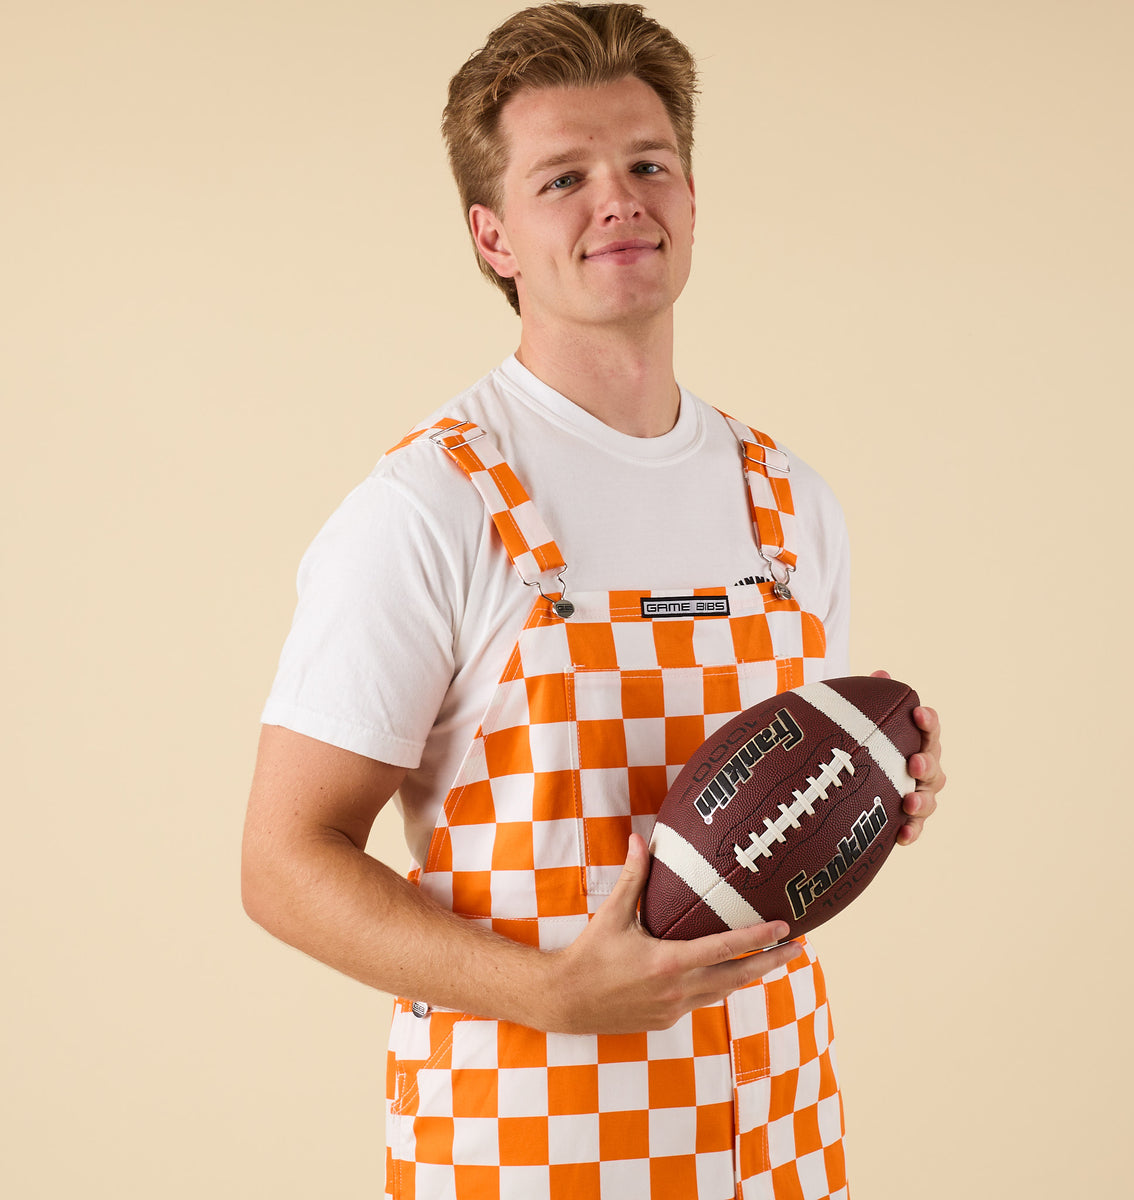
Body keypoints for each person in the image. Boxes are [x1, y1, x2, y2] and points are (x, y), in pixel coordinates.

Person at [241, 4, 946, 1198]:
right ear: (494, 236)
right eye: (563, 177)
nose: (619, 198)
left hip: (775, 1129)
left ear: (690, 196)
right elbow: (280, 864)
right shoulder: (432, 506)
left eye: (647, 163)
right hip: (531, 1142)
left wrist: (878, 784)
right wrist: (551, 993)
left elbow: (758, 807)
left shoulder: (788, 501)